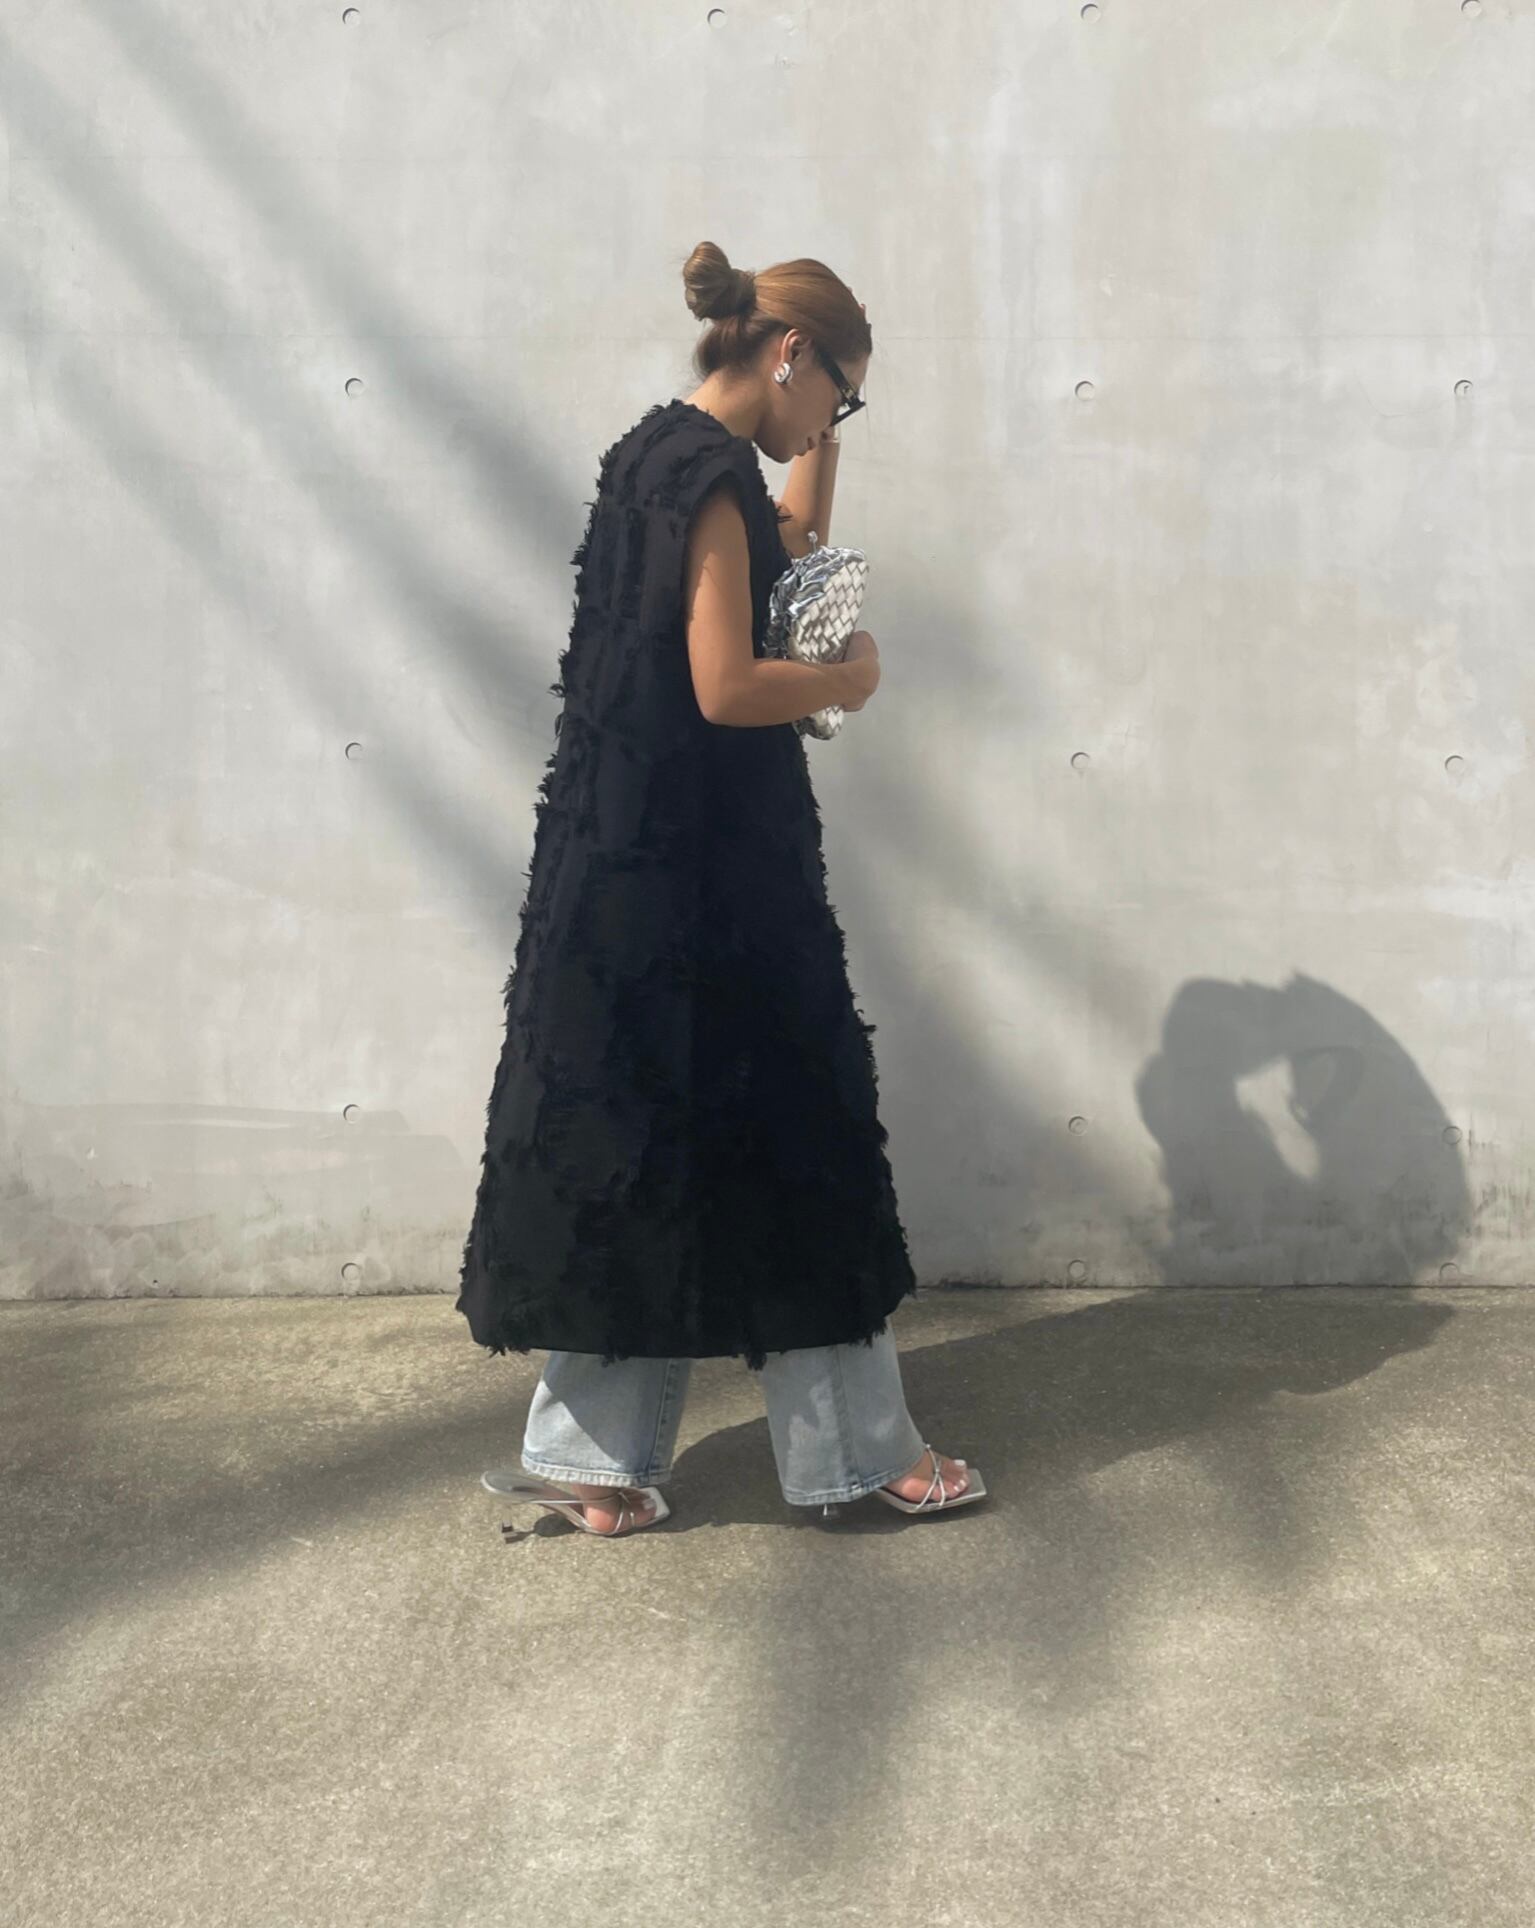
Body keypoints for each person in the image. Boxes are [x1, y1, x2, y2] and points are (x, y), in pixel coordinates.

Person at [455, 242, 986, 1536]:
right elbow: (727, 685)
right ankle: (857, 1454)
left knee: (639, 1144)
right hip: (718, 880)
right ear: (792, 354)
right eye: (841, 395)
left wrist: (824, 449)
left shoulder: (658, 453)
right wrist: (848, 682)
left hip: (624, 872)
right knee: (802, 1135)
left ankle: (593, 1462)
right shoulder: (707, 477)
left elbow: (777, 545)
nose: (834, 420)